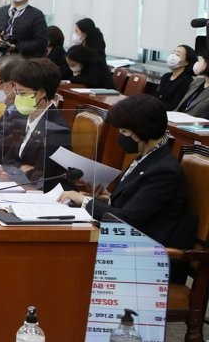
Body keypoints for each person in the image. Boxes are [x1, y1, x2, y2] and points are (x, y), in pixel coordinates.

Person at [59, 95, 196, 259]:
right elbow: (136, 205)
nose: (120, 136)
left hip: (144, 255)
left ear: (141, 130)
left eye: (124, 131)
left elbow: (127, 219)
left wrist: (85, 201)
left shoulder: (164, 171)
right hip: (125, 243)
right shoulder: (147, 156)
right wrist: (107, 200)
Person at [0, 58, 70, 190]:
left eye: (22, 93)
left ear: (41, 93)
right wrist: (21, 167)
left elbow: (41, 179)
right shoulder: (24, 118)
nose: (17, 97)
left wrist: (18, 167)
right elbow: (8, 159)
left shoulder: (56, 129)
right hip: (16, 185)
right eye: (16, 92)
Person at [156, 45, 196, 111]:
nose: (172, 56)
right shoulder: (166, 76)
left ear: (187, 62)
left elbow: (175, 105)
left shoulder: (186, 80)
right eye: (172, 53)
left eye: (177, 54)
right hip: (157, 110)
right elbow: (157, 97)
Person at [176, 52, 209, 118]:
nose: (196, 63)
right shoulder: (197, 81)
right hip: (176, 121)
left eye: (199, 61)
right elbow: (180, 108)